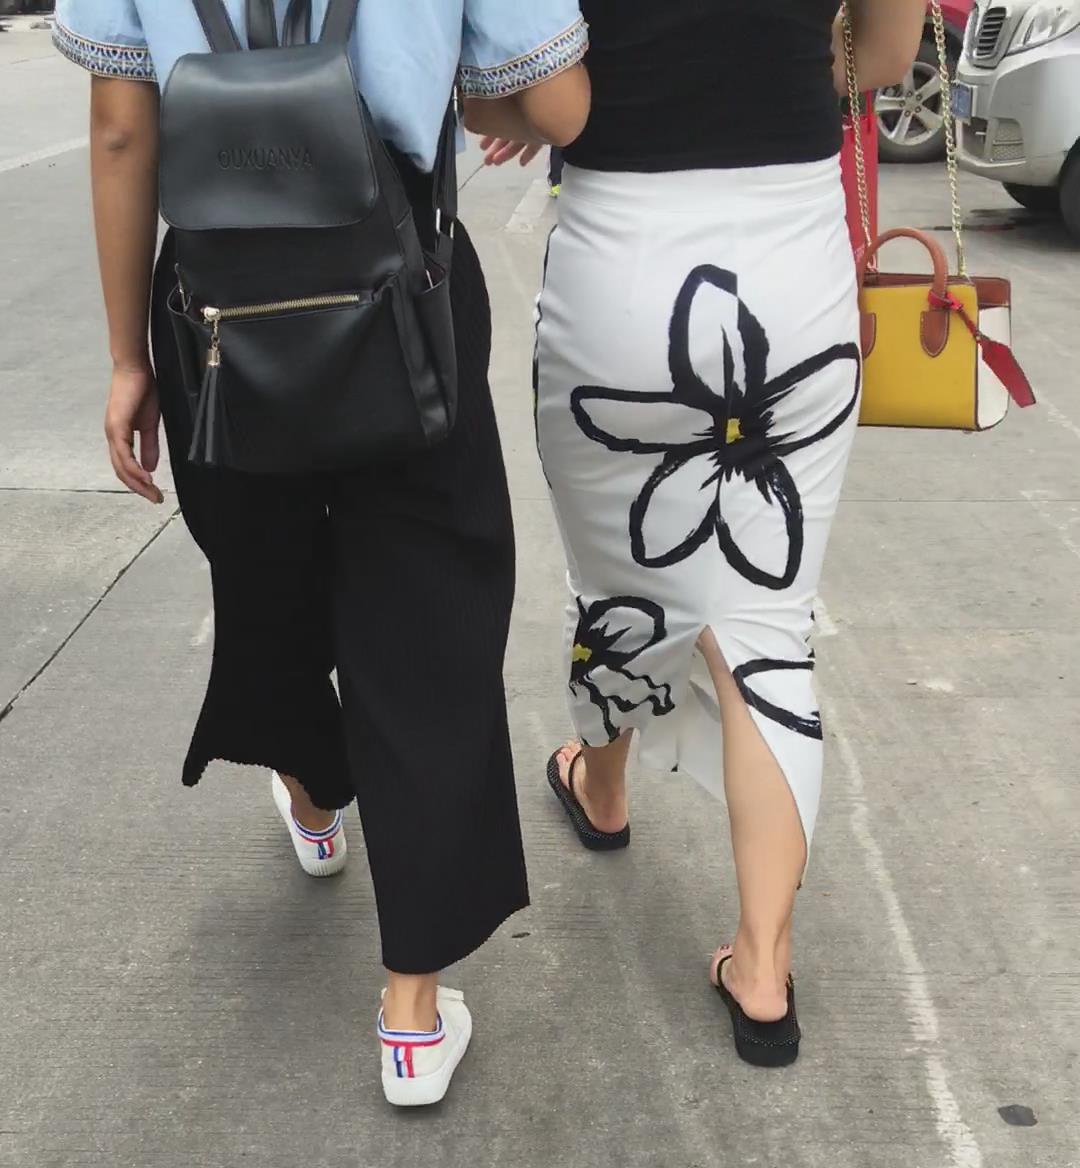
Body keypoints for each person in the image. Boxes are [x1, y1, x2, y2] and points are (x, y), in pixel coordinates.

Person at [53, 0, 590, 1108]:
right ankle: (411, 1015)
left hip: (217, 306)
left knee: (266, 571)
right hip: (404, 282)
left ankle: (311, 792)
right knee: (427, 610)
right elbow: (554, 101)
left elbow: (120, 126)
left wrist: (126, 357)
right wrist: (465, 89)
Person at [521, 0, 925, 1067]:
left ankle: (603, 789)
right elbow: (886, 54)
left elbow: (522, 95)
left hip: (617, 258)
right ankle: (762, 967)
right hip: (794, 263)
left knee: (621, 584)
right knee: (764, 625)